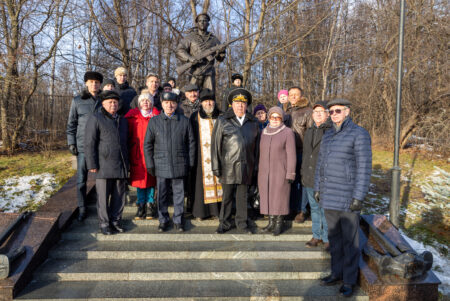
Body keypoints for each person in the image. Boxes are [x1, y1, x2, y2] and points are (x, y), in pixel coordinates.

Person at [314, 98, 372, 298]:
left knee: (350, 241)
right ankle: (336, 273)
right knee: (334, 239)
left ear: (347, 111)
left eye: (337, 111)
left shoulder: (359, 134)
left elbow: (364, 168)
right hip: (329, 195)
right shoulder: (328, 135)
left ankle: (349, 280)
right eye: (331, 111)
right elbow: (321, 164)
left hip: (348, 197)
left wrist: (359, 196)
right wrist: (317, 188)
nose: (334, 114)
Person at [143, 92, 195, 232]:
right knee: (162, 195)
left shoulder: (184, 121)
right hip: (161, 164)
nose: (169, 105)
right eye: (166, 102)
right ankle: (163, 219)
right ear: (162, 104)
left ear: (176, 104)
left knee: (179, 194)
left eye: (172, 102)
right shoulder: (154, 121)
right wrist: (150, 164)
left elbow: (191, 143)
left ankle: (178, 220)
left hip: (179, 163)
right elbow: (147, 144)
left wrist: (190, 162)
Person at [211, 88, 259, 234]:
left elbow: (256, 148)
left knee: (242, 198)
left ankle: (242, 224)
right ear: (232, 104)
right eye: (237, 102)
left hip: (246, 167)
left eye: (243, 103)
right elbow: (215, 145)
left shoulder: (253, 122)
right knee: (226, 198)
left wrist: (255, 167)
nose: (240, 106)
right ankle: (224, 223)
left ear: (247, 105)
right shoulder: (223, 120)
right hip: (228, 167)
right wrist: (215, 167)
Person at [84, 90, 129, 235]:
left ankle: (115, 221)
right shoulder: (96, 118)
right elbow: (89, 142)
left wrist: (127, 164)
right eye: (110, 102)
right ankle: (104, 224)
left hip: (120, 164)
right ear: (103, 104)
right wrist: (91, 164)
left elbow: (126, 143)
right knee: (103, 198)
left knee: (119, 196)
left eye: (115, 102)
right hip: (103, 165)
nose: (113, 105)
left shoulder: (122, 120)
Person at [67, 71, 103, 222]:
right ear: (86, 83)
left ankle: (103, 208)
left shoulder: (104, 100)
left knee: (103, 179)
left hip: (101, 146)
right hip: (82, 146)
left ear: (100, 84)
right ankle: (82, 208)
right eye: (91, 82)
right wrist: (71, 142)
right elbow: (71, 124)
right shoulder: (78, 101)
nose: (94, 84)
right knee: (81, 180)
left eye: (96, 82)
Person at [258, 107, 296, 236]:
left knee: (279, 198)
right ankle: (271, 222)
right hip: (264, 171)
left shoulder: (287, 132)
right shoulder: (264, 132)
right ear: (268, 118)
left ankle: (279, 224)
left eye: (277, 117)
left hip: (280, 170)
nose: (274, 120)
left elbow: (292, 154)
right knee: (267, 196)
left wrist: (290, 172)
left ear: (282, 118)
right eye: (272, 117)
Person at [125, 91, 160, 219]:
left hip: (152, 153)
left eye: (148, 100)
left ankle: (150, 204)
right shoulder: (132, 117)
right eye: (143, 100)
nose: (145, 102)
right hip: (137, 153)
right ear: (139, 103)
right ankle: (141, 205)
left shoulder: (157, 116)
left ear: (151, 103)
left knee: (151, 179)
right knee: (140, 180)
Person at [301, 101, 331, 249]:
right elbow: (306, 154)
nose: (318, 114)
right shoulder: (309, 131)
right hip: (309, 176)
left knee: (325, 209)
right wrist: (303, 172)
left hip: (324, 178)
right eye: (315, 112)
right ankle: (316, 235)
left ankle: (327, 238)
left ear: (327, 114)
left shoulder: (331, 131)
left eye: (321, 111)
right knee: (314, 208)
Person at [189, 88, 222, 220]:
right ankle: (200, 213)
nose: (208, 104)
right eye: (205, 101)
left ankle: (217, 212)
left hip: (218, 158)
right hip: (200, 158)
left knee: (219, 183)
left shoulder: (221, 116)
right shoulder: (194, 117)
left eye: (211, 101)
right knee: (199, 185)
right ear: (201, 103)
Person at [176, 13, 225, 93]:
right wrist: (190, 58)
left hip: (209, 72)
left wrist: (222, 51)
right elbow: (179, 50)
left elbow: (220, 58)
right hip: (195, 72)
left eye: (204, 21)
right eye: (200, 21)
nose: (202, 22)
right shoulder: (190, 37)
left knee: (209, 98)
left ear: (208, 23)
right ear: (197, 23)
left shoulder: (214, 39)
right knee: (192, 95)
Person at [285, 86, 313, 223]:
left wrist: (309, 152)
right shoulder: (286, 112)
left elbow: (311, 133)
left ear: (301, 96)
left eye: (296, 94)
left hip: (303, 152)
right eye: (291, 94)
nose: (293, 97)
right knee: (290, 181)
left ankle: (302, 210)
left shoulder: (308, 111)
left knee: (303, 182)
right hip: (287, 153)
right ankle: (291, 208)